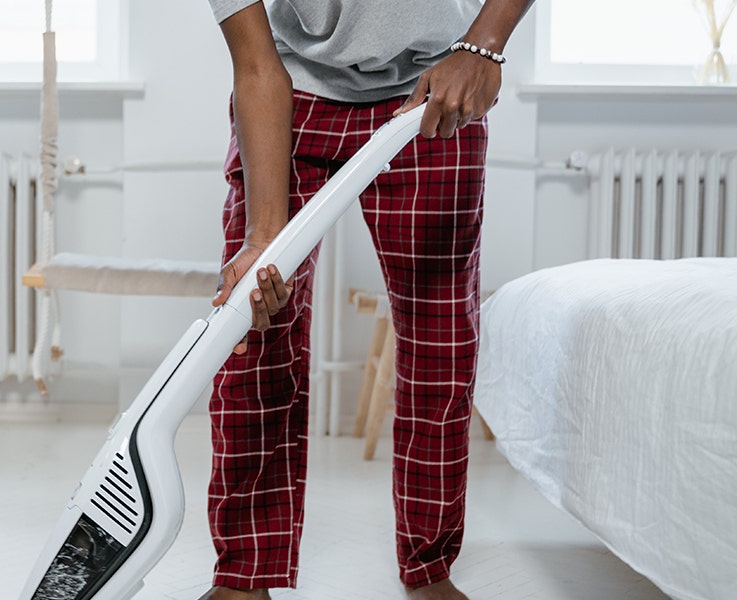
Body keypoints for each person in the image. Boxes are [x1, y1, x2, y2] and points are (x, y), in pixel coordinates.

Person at [202, 1, 532, 599]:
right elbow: (255, 68)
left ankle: (430, 570)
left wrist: (483, 43)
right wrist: (263, 238)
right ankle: (244, 576)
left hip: (435, 86)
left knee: (441, 343)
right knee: (253, 330)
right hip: (292, 89)